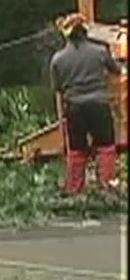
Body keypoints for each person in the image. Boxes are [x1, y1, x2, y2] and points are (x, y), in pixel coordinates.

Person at [49, 13, 124, 193]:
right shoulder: (99, 51)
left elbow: (58, 93)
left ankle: (75, 190)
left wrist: (61, 122)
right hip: (99, 105)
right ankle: (109, 187)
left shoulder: (57, 60)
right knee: (106, 148)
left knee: (77, 151)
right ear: (85, 32)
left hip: (74, 109)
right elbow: (117, 71)